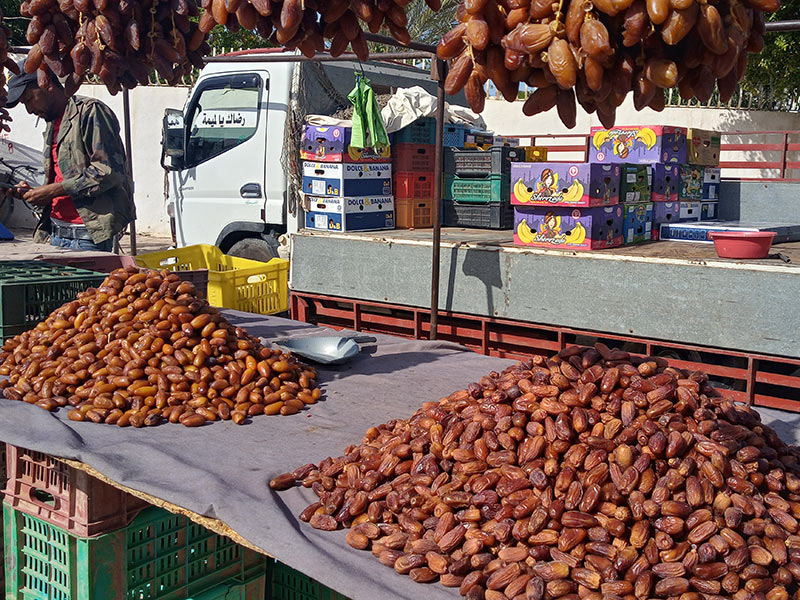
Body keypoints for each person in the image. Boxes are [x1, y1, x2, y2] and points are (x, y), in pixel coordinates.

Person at [4, 68, 134, 252]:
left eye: (29, 100)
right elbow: (61, 176)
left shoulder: (90, 112)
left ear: (46, 83)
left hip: (89, 235)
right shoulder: (52, 122)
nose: (29, 110)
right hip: (57, 232)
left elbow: (108, 171)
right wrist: (34, 193)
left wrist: (53, 191)